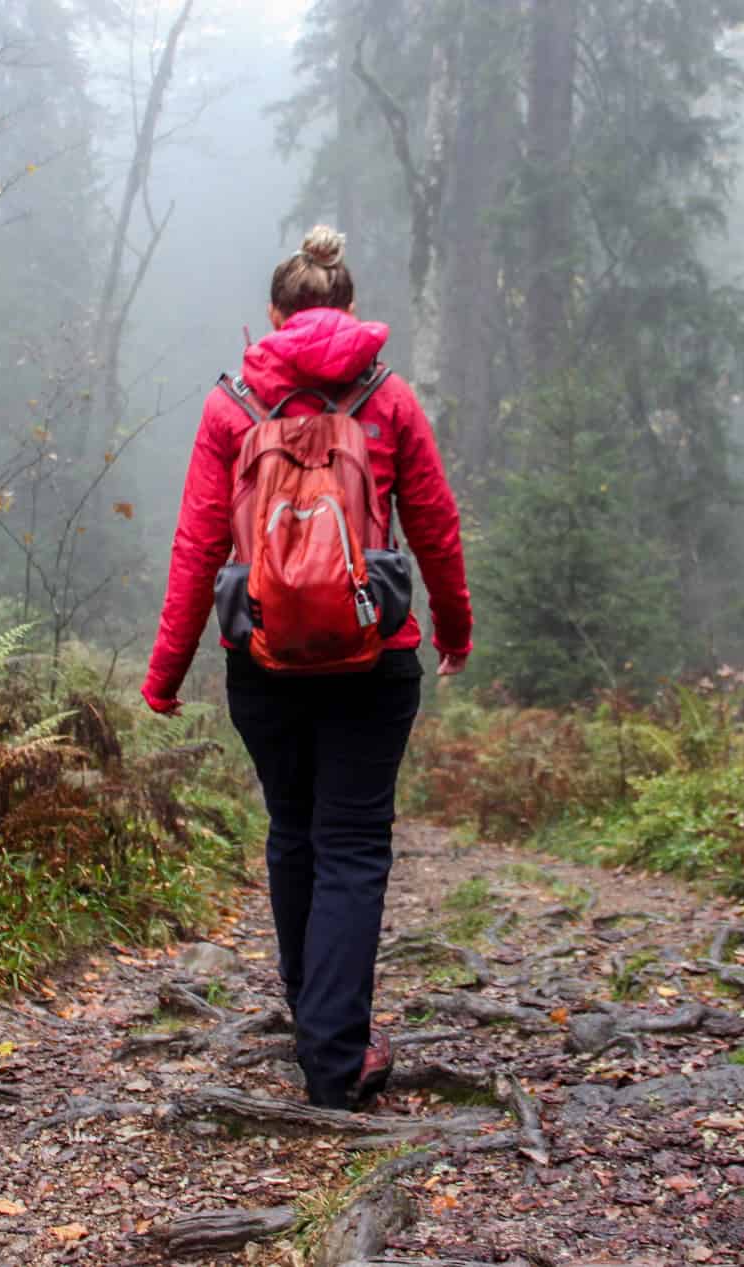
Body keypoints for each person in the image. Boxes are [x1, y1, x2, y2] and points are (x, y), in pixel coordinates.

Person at [142, 225, 473, 1109]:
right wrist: (456, 627)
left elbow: (198, 544)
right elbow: (435, 525)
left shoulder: (232, 407)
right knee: (354, 846)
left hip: (262, 657)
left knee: (294, 833)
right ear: (350, 310)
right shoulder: (388, 399)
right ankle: (336, 1054)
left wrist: (166, 671)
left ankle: (317, 1023)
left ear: (274, 317)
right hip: (375, 656)